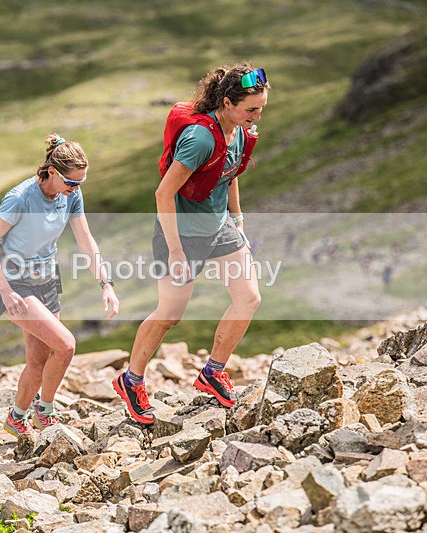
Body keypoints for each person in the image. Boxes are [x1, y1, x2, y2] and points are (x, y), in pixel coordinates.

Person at [113, 63, 269, 424]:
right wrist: (177, 251)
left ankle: (212, 372)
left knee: (249, 298)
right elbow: (163, 193)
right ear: (228, 103)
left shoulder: (241, 132)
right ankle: (130, 380)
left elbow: (229, 175)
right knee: (170, 315)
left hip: (220, 229)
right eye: (251, 109)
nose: (258, 116)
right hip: (180, 235)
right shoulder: (199, 138)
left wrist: (239, 221)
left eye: (261, 108)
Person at [0, 134, 120, 436]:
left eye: (81, 183)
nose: (75, 189)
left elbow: (85, 240)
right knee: (66, 345)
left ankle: (16, 418)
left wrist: (105, 283)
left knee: (39, 360)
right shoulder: (21, 198)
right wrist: (5, 290)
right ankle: (45, 412)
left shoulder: (71, 196)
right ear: (53, 172)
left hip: (47, 280)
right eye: (71, 183)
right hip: (15, 284)